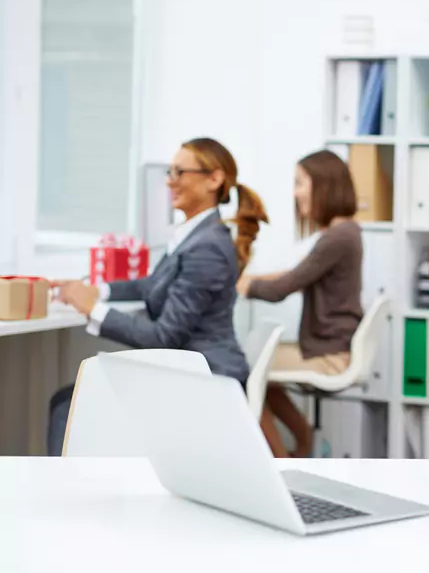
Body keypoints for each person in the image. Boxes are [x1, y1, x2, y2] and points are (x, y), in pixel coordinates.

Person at [49, 137, 269, 454]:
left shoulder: (206, 247)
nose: (170, 181)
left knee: (68, 405)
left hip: (208, 382)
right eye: (170, 172)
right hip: (191, 374)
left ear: (214, 179)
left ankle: (63, 497)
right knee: (66, 400)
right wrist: (99, 290)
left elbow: (165, 337)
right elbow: (152, 284)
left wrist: (93, 309)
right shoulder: (194, 235)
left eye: (180, 172)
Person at [237, 150, 363, 458]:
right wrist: (248, 278)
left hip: (328, 355)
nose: (294, 193)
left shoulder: (337, 238)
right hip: (329, 345)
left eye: (299, 183)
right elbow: (297, 274)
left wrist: (244, 285)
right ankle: (304, 441)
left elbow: (284, 287)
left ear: (324, 185)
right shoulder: (345, 232)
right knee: (260, 368)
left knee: (242, 372)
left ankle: (281, 465)